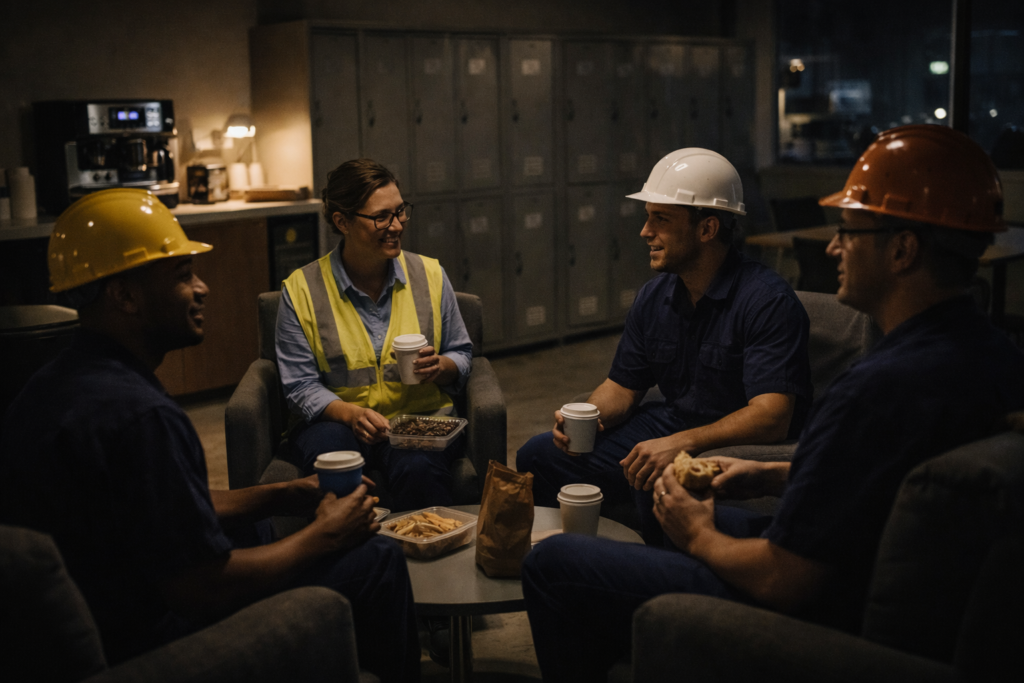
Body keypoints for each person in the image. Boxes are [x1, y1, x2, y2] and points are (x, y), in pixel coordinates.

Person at [521, 125, 1024, 682]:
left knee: (552, 562)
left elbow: (784, 578)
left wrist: (698, 536)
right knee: (613, 481)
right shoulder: (993, 358)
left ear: (903, 250)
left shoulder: (876, 390)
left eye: (849, 232)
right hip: (855, 562)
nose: (833, 247)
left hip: (816, 608)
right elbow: (881, 478)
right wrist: (769, 476)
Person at [0, 189, 419, 683]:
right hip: (144, 639)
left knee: (254, 526)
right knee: (378, 560)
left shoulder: (58, 383)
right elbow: (201, 589)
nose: (202, 289)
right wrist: (323, 535)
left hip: (90, 609)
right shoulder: (140, 415)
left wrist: (286, 493)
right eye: (181, 276)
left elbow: (162, 505)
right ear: (125, 296)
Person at [516, 148, 813, 542]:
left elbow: (771, 417)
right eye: (647, 217)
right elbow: (622, 388)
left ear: (707, 229)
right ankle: (569, 558)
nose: (644, 232)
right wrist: (583, 416)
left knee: (660, 475)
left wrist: (681, 444)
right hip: (674, 423)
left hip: (737, 442)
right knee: (538, 455)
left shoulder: (766, 300)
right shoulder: (655, 297)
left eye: (661, 219)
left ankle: (654, 582)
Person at [276, 158, 473, 513]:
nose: (396, 225)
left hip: (419, 420)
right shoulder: (301, 289)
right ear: (342, 222)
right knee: (333, 459)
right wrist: (349, 414)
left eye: (400, 212)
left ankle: (428, 558)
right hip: (336, 424)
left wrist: (441, 366)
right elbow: (299, 386)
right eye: (382, 217)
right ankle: (353, 560)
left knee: (419, 468)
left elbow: (462, 352)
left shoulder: (429, 274)